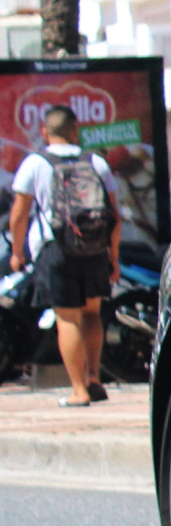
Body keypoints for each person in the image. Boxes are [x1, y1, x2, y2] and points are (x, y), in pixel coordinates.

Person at [8, 106, 121, 406]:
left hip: (55, 247)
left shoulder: (35, 163)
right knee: (92, 313)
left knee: (67, 318)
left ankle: (78, 390)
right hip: (95, 248)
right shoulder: (96, 161)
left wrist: (17, 253)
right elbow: (114, 215)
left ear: (45, 132)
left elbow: (19, 214)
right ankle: (94, 377)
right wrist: (114, 257)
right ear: (75, 130)